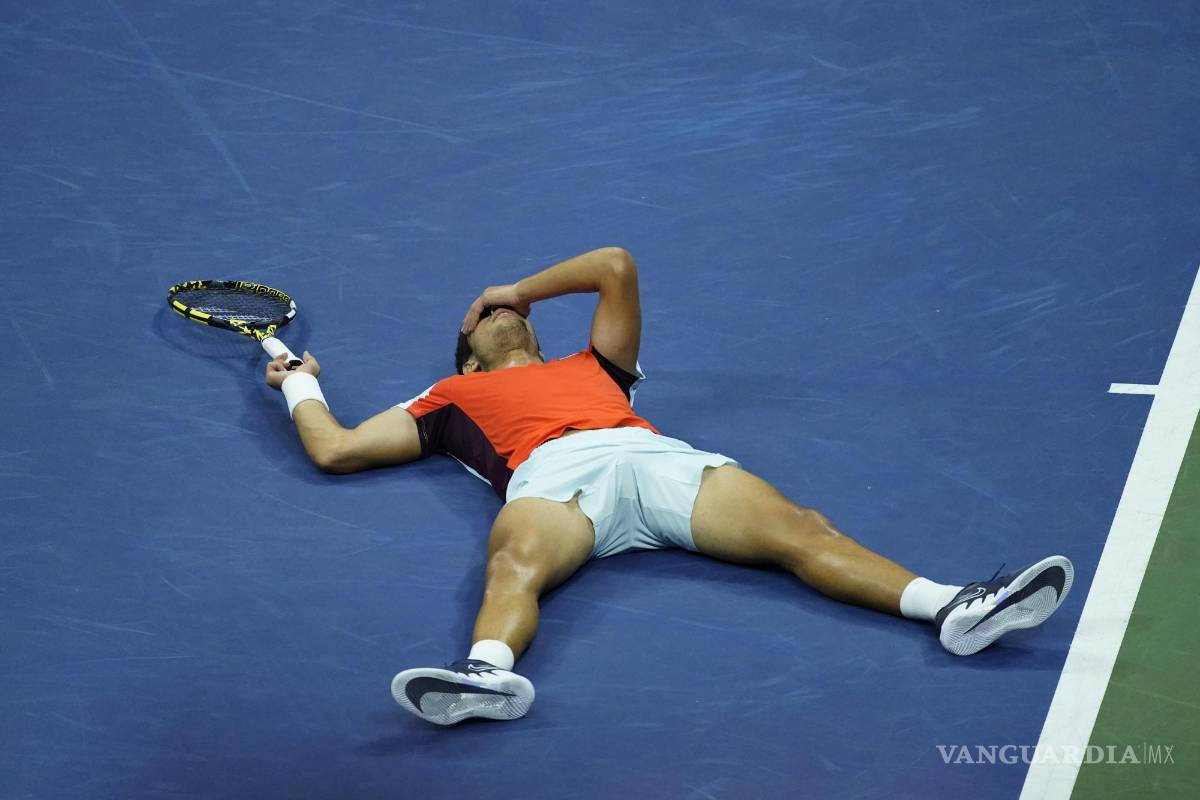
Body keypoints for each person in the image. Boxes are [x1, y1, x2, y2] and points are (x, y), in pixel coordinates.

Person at [265, 247, 1074, 726]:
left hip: (654, 461)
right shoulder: (442, 400)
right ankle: (486, 677)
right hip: (555, 482)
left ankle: (954, 608)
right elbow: (334, 450)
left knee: (804, 530)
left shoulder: (597, 367)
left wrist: (518, 290)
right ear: (466, 361)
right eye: (480, 321)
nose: (498, 319)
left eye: (509, 315)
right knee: (513, 561)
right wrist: (301, 385)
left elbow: (615, 266)